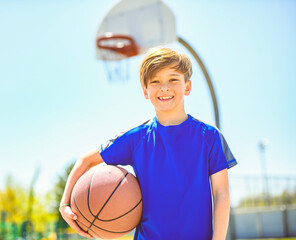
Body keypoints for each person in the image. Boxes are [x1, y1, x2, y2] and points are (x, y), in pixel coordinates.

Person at [59, 47, 238, 240]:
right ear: (146, 91)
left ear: (187, 86)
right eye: (155, 82)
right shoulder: (137, 138)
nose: (164, 87)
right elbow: (85, 161)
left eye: (173, 79)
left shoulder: (209, 136)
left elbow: (221, 194)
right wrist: (64, 204)